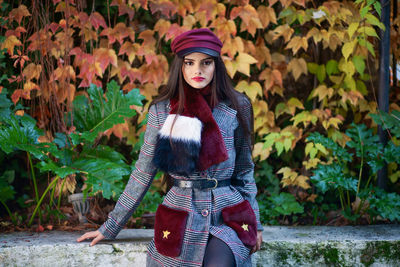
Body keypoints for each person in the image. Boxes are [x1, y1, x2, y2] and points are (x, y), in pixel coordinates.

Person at [77, 28, 263, 267]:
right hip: (182, 214)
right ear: (180, 66)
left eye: (206, 62)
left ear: (216, 65)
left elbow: (244, 171)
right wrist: (112, 225)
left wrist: (255, 224)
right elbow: (143, 172)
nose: (198, 70)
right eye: (190, 63)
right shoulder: (162, 111)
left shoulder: (237, 106)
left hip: (226, 216)